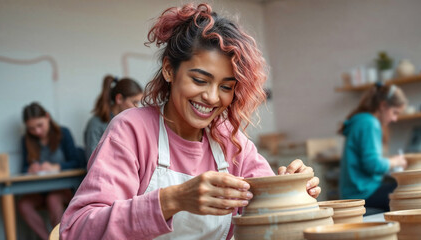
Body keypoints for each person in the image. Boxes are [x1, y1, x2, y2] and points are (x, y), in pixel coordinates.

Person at [60, 3, 320, 239]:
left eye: (226, 87)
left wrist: (294, 190)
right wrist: (173, 199)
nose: (211, 97)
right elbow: (77, 230)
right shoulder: (131, 130)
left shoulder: (230, 139)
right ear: (169, 70)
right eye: (199, 80)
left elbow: (266, 212)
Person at [339, 83, 408, 211]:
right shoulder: (369, 123)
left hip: (356, 192)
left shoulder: (361, 120)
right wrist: (395, 161)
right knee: (411, 191)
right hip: (362, 194)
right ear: (383, 106)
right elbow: (372, 165)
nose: (395, 119)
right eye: (394, 112)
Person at [18, 102, 81, 240]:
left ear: (47, 117)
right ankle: (48, 238)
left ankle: (60, 237)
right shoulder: (26, 140)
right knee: (24, 205)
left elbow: (77, 162)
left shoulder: (63, 133)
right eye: (32, 128)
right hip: (40, 190)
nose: (37, 131)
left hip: (64, 188)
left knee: (53, 198)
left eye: (40, 125)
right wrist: (30, 169)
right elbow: (22, 168)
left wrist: (57, 167)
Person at [84, 75, 143, 159]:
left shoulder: (130, 124)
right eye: (135, 102)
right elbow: (93, 160)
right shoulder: (95, 125)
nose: (137, 107)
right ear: (119, 99)